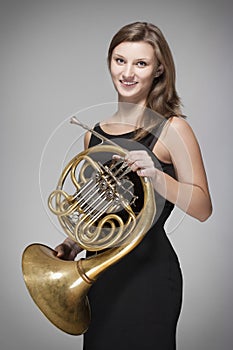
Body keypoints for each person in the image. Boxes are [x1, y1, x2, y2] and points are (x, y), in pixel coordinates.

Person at [55, 22, 212, 349]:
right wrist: (72, 243)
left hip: (149, 277)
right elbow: (99, 206)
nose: (127, 72)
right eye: (119, 60)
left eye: (141, 63)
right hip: (98, 275)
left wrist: (158, 177)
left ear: (158, 70)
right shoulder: (93, 132)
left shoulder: (173, 129)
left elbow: (202, 208)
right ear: (110, 63)